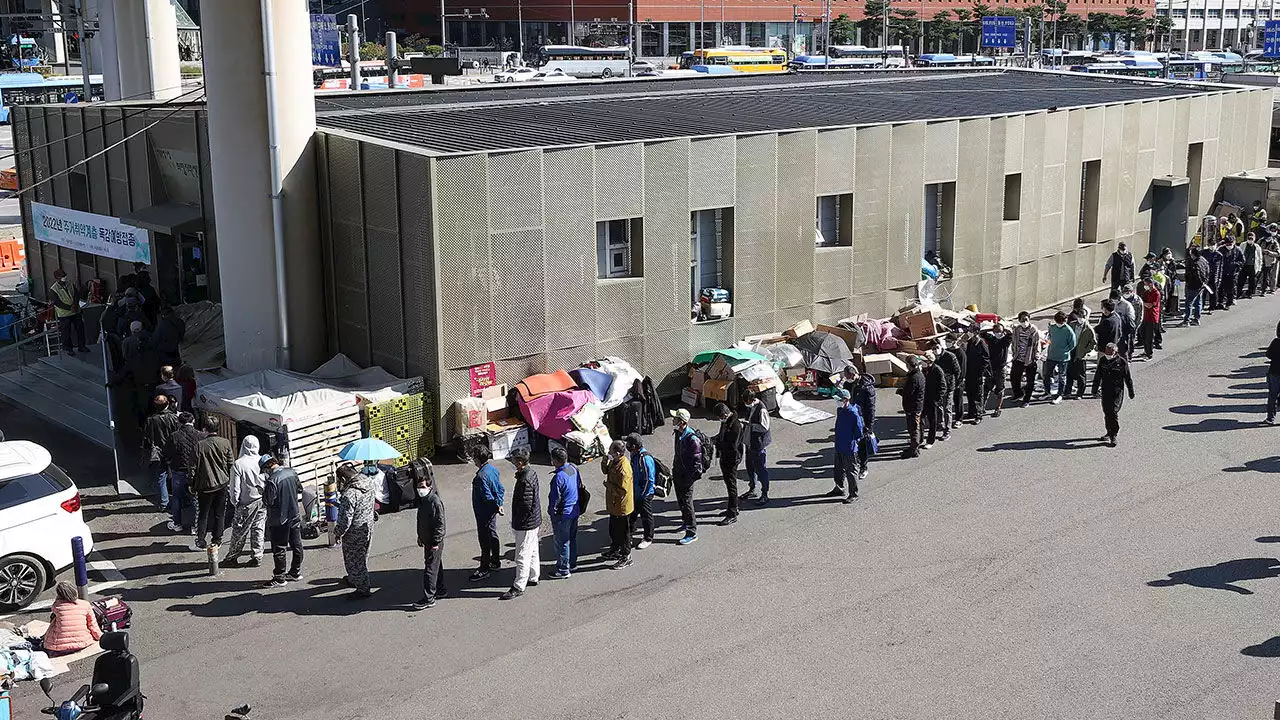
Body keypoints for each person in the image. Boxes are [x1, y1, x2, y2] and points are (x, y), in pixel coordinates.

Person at [501, 448, 540, 600]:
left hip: (526, 524)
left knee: (522, 554)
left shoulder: (525, 480)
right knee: (533, 550)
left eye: (513, 461)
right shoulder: (530, 473)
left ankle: (519, 585)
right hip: (533, 521)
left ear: (519, 463)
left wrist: (518, 523)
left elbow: (525, 505)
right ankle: (533, 576)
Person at [223, 435, 267, 568]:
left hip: (245, 503)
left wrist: (235, 502)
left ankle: (232, 557)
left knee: (239, 531)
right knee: (258, 528)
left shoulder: (238, 464)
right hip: (261, 501)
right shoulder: (262, 460)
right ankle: (257, 556)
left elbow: (235, 488)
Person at [334, 463, 377, 598]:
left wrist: (338, 533)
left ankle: (363, 589)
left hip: (354, 532)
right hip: (367, 525)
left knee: (355, 561)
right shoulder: (368, 482)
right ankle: (355, 578)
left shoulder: (350, 494)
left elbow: (345, 520)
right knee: (362, 557)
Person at [192, 415, 233, 552]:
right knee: (219, 513)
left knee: (203, 514)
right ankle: (217, 540)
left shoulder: (199, 445)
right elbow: (230, 463)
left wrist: (191, 484)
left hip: (204, 485)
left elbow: (193, 468)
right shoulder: (225, 443)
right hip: (222, 483)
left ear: (204, 429)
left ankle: (201, 540)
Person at [262, 455, 304, 587]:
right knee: (296, 544)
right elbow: (300, 489)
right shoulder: (291, 472)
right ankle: (295, 572)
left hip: (279, 519)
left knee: (279, 547)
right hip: (294, 514)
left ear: (267, 467)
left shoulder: (272, 481)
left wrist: (263, 491)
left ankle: (279, 577)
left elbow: (268, 501)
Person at [412, 468, 447, 610]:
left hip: (434, 541)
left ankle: (429, 598)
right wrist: (420, 536)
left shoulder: (434, 502)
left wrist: (435, 542)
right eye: (419, 487)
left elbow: (440, 524)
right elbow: (421, 520)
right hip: (427, 539)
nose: (420, 489)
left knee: (430, 569)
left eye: (423, 487)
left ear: (430, 487)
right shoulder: (423, 500)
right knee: (436, 565)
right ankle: (440, 589)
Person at [469, 446, 505, 581]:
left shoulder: (480, 477)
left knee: (484, 541)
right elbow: (500, 489)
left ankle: (484, 568)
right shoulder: (492, 470)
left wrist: (495, 506)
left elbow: (487, 497)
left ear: (478, 460)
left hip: (484, 513)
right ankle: (495, 561)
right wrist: (499, 504)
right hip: (491, 512)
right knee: (493, 534)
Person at [670, 408, 704, 546]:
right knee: (681, 501)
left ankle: (692, 532)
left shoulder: (692, 439)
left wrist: (689, 478)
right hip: (678, 473)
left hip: (687, 477)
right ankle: (685, 522)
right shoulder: (679, 433)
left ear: (682, 421)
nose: (673, 419)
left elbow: (697, 463)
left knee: (687, 502)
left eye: (675, 418)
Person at [1091, 342, 1135, 447]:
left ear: (1116, 352)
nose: (1108, 354)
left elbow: (1127, 378)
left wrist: (1131, 391)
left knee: (1113, 412)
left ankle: (1114, 434)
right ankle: (1109, 432)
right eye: (1107, 352)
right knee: (1107, 413)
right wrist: (1094, 389)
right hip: (1106, 391)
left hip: (1117, 392)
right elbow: (1098, 376)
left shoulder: (1122, 362)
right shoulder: (1103, 361)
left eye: (1110, 352)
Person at [40, 582, 101, 655]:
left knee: (55, 619)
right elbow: (93, 625)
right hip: (83, 643)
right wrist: (100, 637)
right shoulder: (85, 604)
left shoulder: (57, 606)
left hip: (58, 647)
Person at [547, 447, 580, 578]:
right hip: (574, 510)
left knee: (562, 542)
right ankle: (572, 563)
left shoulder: (558, 478)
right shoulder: (572, 469)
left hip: (563, 515)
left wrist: (552, 514)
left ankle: (563, 569)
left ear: (555, 461)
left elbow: (554, 500)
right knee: (571, 539)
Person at [826, 388, 864, 502]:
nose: (837, 402)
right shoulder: (840, 410)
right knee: (838, 469)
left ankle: (854, 494)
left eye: (839, 400)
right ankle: (839, 488)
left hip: (849, 447)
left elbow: (859, 431)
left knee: (851, 470)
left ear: (846, 400)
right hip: (839, 444)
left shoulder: (853, 413)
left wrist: (852, 441)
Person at [601, 440, 634, 569]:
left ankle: (626, 556)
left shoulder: (624, 468)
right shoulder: (614, 461)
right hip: (613, 504)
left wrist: (609, 487)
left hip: (622, 506)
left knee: (623, 532)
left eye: (611, 452)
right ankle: (614, 550)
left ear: (619, 453)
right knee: (613, 530)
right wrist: (604, 461)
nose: (609, 453)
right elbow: (606, 471)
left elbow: (623, 491)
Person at [142, 394, 178, 512]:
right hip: (173, 450)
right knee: (176, 475)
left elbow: (147, 437)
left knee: (161, 476)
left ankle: (164, 503)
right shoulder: (173, 417)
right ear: (167, 404)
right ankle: (180, 501)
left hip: (158, 452)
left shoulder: (151, 420)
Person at [166, 411, 201, 534]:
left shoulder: (174, 436)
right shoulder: (200, 436)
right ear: (193, 421)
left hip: (178, 471)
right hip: (195, 471)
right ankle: (194, 527)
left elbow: (168, 453)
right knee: (194, 499)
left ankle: (177, 523)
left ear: (179, 422)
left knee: (176, 498)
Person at [713, 403, 746, 525]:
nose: (719, 419)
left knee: (731, 485)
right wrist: (714, 440)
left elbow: (732, 446)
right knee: (728, 483)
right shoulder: (726, 422)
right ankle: (733, 508)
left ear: (725, 414)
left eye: (719, 417)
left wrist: (719, 444)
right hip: (725, 457)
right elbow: (721, 436)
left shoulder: (736, 426)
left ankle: (732, 513)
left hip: (731, 459)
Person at [843, 367, 877, 479]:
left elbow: (871, 408)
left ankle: (864, 467)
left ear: (853, 375)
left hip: (861, 419)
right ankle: (853, 462)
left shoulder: (866, 388)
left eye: (848, 377)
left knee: (862, 444)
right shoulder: (847, 385)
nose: (846, 380)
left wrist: (869, 426)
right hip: (850, 417)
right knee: (851, 443)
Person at [740, 390, 772, 505]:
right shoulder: (750, 407)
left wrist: (750, 425)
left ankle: (765, 494)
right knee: (750, 467)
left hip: (758, 444)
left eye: (747, 401)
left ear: (752, 400)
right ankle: (752, 488)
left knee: (760, 469)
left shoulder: (761, 409)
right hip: (750, 442)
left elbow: (764, 427)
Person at [625, 434, 656, 545]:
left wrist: (643, 495)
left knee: (646, 516)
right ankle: (630, 534)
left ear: (634, 446)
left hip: (644, 494)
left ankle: (648, 538)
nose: (626, 446)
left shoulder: (645, 458)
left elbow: (649, 479)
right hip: (635, 491)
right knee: (631, 515)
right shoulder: (635, 454)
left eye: (628, 444)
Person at [50, 269, 88, 356]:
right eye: (62, 276)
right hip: (64, 314)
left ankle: (82, 346)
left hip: (76, 311)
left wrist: (75, 304)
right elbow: (57, 302)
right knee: (66, 332)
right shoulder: (53, 289)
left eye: (65, 275)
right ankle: (68, 348)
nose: (64, 277)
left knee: (80, 328)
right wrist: (70, 308)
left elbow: (76, 294)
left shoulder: (70, 284)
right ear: (57, 278)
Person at [1042, 311, 1076, 405]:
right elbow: (1050, 338)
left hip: (1063, 358)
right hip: (1051, 355)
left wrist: (1064, 350)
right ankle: (1047, 392)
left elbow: (1073, 344)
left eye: (1062, 322)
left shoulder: (1069, 330)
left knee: (1062, 377)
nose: (1060, 324)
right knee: (1047, 375)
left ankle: (1059, 394)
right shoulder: (1052, 328)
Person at [1010, 311, 1042, 408]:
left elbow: (1037, 344)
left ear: (1029, 319)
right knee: (1014, 377)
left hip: (1029, 359)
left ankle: (1026, 400)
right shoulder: (1017, 329)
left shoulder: (1033, 330)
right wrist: (1014, 352)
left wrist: (1037, 354)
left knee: (1030, 381)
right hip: (1018, 358)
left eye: (1026, 319)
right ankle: (1018, 393)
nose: (1024, 322)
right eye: (1022, 320)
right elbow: (1014, 341)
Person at [897, 355, 926, 459]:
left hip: (913, 407)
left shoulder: (914, 378)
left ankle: (914, 449)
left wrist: (901, 391)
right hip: (916, 405)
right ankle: (914, 446)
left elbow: (908, 393)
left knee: (913, 429)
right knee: (916, 427)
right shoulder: (919, 375)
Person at [983, 322, 1012, 417]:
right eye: (995, 331)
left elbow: (1011, 334)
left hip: (1001, 368)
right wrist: (991, 330)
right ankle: (982, 407)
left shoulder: (1005, 341)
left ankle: (997, 408)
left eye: (999, 331)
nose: (997, 333)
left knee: (1000, 389)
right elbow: (981, 333)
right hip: (991, 368)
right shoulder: (991, 339)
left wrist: (1004, 330)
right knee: (987, 388)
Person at [921, 351, 948, 449]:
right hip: (923, 398)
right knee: (921, 419)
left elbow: (943, 387)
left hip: (933, 400)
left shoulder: (937, 370)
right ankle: (920, 438)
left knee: (932, 421)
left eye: (924, 360)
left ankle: (930, 441)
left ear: (929, 361)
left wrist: (937, 399)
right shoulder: (923, 370)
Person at [963, 331, 991, 423]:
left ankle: (978, 415)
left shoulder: (981, 343)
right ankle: (971, 412)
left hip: (978, 373)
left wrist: (981, 371)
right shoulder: (970, 343)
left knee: (978, 394)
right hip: (969, 372)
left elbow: (986, 359)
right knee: (969, 392)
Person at [1067, 311, 1095, 399]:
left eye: (1083, 316)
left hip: (1081, 353)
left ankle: (1080, 393)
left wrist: (1085, 351)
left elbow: (1093, 342)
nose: (1081, 318)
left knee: (1081, 375)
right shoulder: (1072, 325)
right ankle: (1067, 391)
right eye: (1079, 316)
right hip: (1071, 351)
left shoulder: (1088, 328)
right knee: (1069, 372)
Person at [933, 342, 959, 432]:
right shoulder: (933, 357)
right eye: (933, 348)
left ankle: (947, 430)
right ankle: (940, 424)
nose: (935, 350)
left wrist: (954, 383)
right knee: (938, 406)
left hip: (948, 386)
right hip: (937, 386)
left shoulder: (950, 356)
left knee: (947, 408)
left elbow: (957, 371)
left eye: (936, 347)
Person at [1181, 246, 1210, 326]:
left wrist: (1189, 280)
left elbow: (1196, 274)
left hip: (1193, 285)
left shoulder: (1195, 263)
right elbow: (1208, 271)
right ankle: (1196, 319)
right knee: (1198, 302)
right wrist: (1204, 283)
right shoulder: (1204, 260)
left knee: (1189, 303)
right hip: (1202, 285)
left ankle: (1186, 320)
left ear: (1193, 255)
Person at [1137, 276, 1162, 360]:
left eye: (1147, 284)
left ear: (1151, 284)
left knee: (1149, 337)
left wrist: (1142, 302)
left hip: (1152, 317)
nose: (1146, 286)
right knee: (1143, 334)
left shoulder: (1156, 293)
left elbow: (1150, 305)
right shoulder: (1146, 292)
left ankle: (1149, 354)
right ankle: (1146, 350)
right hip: (1145, 317)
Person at [946, 339, 967, 429]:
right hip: (949, 381)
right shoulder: (948, 351)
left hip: (958, 381)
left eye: (948, 341)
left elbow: (962, 369)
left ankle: (959, 419)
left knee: (958, 400)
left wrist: (959, 381)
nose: (947, 342)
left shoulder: (960, 353)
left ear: (954, 341)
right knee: (948, 401)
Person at [1219, 239, 1242, 309]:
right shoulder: (1221, 249)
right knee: (1221, 288)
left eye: (1230, 244)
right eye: (1227, 244)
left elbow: (1242, 260)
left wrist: (1235, 265)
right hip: (1223, 272)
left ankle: (1229, 302)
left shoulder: (1237, 250)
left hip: (1233, 273)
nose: (1229, 246)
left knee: (1231, 288)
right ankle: (1220, 302)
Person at [1115, 286, 1137, 359]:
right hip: (1118, 327)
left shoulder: (1127, 305)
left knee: (1126, 344)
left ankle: (1127, 357)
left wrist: (1121, 317)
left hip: (1126, 328)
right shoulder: (1114, 303)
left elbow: (1131, 317)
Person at [1159, 248, 1179, 316]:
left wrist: (1177, 283)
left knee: (1172, 295)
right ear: (1164, 255)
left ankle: (1169, 309)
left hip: (1172, 280)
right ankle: (1162, 310)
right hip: (1164, 281)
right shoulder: (1160, 261)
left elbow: (1175, 272)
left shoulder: (1172, 262)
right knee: (1164, 295)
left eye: (1170, 254)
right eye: (1167, 254)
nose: (1169, 255)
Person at [1261, 231, 1280, 296]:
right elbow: (1257, 248)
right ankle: (1263, 289)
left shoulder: (1275, 243)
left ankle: (1272, 289)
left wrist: (1269, 252)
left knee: (1272, 276)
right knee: (1264, 276)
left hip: (1271, 262)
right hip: (1262, 260)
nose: (1266, 239)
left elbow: (1278, 253)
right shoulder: (1262, 240)